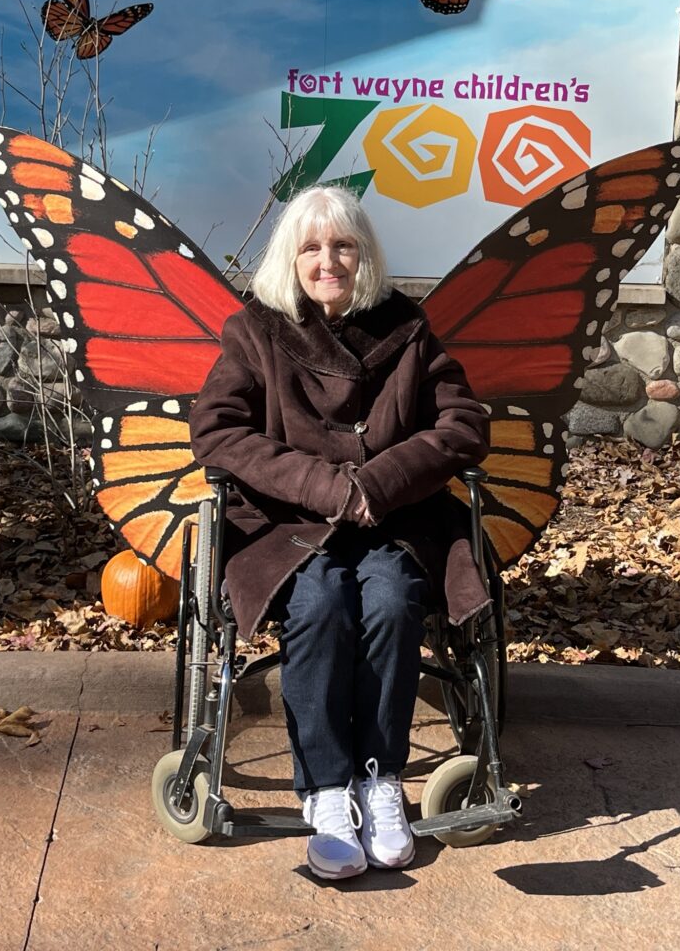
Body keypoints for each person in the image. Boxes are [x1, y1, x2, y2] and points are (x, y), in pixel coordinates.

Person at [189, 185, 490, 880]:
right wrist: (326, 487)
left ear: (365, 255)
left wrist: (378, 485)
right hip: (286, 526)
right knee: (320, 606)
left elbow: (464, 424)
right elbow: (218, 431)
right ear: (291, 258)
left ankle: (380, 781)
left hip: (395, 521)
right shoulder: (256, 331)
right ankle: (327, 791)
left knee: (390, 601)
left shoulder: (406, 328)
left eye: (345, 245)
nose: (330, 260)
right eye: (313, 246)